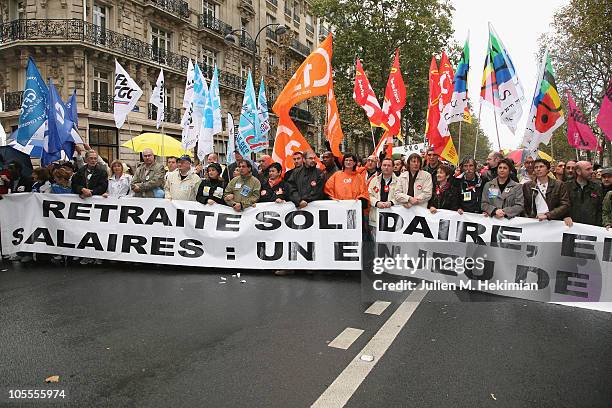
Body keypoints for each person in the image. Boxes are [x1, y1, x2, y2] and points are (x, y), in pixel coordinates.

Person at [564, 160, 602, 226]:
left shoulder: (597, 187)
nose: (592, 171)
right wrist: (565, 216)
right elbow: (561, 205)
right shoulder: (566, 187)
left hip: (592, 230)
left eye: (591, 169)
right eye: (588, 169)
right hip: (571, 228)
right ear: (578, 171)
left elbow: (600, 209)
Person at [368, 157, 402, 229]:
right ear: (381, 166)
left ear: (393, 167)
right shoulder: (374, 180)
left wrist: (391, 202)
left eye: (389, 165)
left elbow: (401, 196)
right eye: (384, 165)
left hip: (393, 219)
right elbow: (369, 195)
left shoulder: (399, 181)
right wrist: (377, 203)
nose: (386, 167)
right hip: (376, 219)